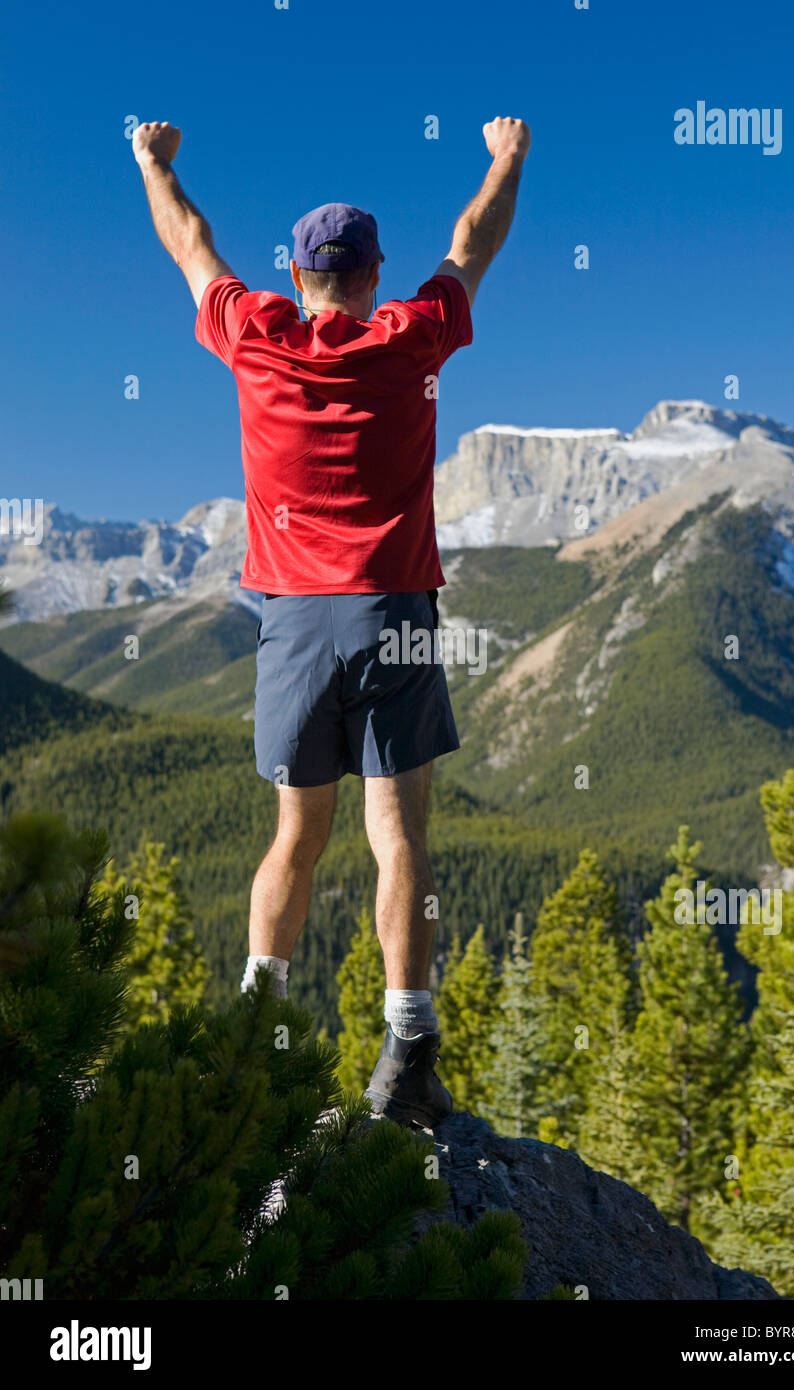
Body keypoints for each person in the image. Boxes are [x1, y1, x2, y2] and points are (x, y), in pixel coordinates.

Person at [132, 115, 531, 1127]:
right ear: (373, 275)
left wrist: (154, 164)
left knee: (293, 839)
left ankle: (248, 1037)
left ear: (299, 275)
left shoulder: (254, 336)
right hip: (393, 608)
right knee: (397, 835)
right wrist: (505, 158)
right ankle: (405, 1056)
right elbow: (472, 243)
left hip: (293, 624)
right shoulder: (412, 338)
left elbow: (188, 244)